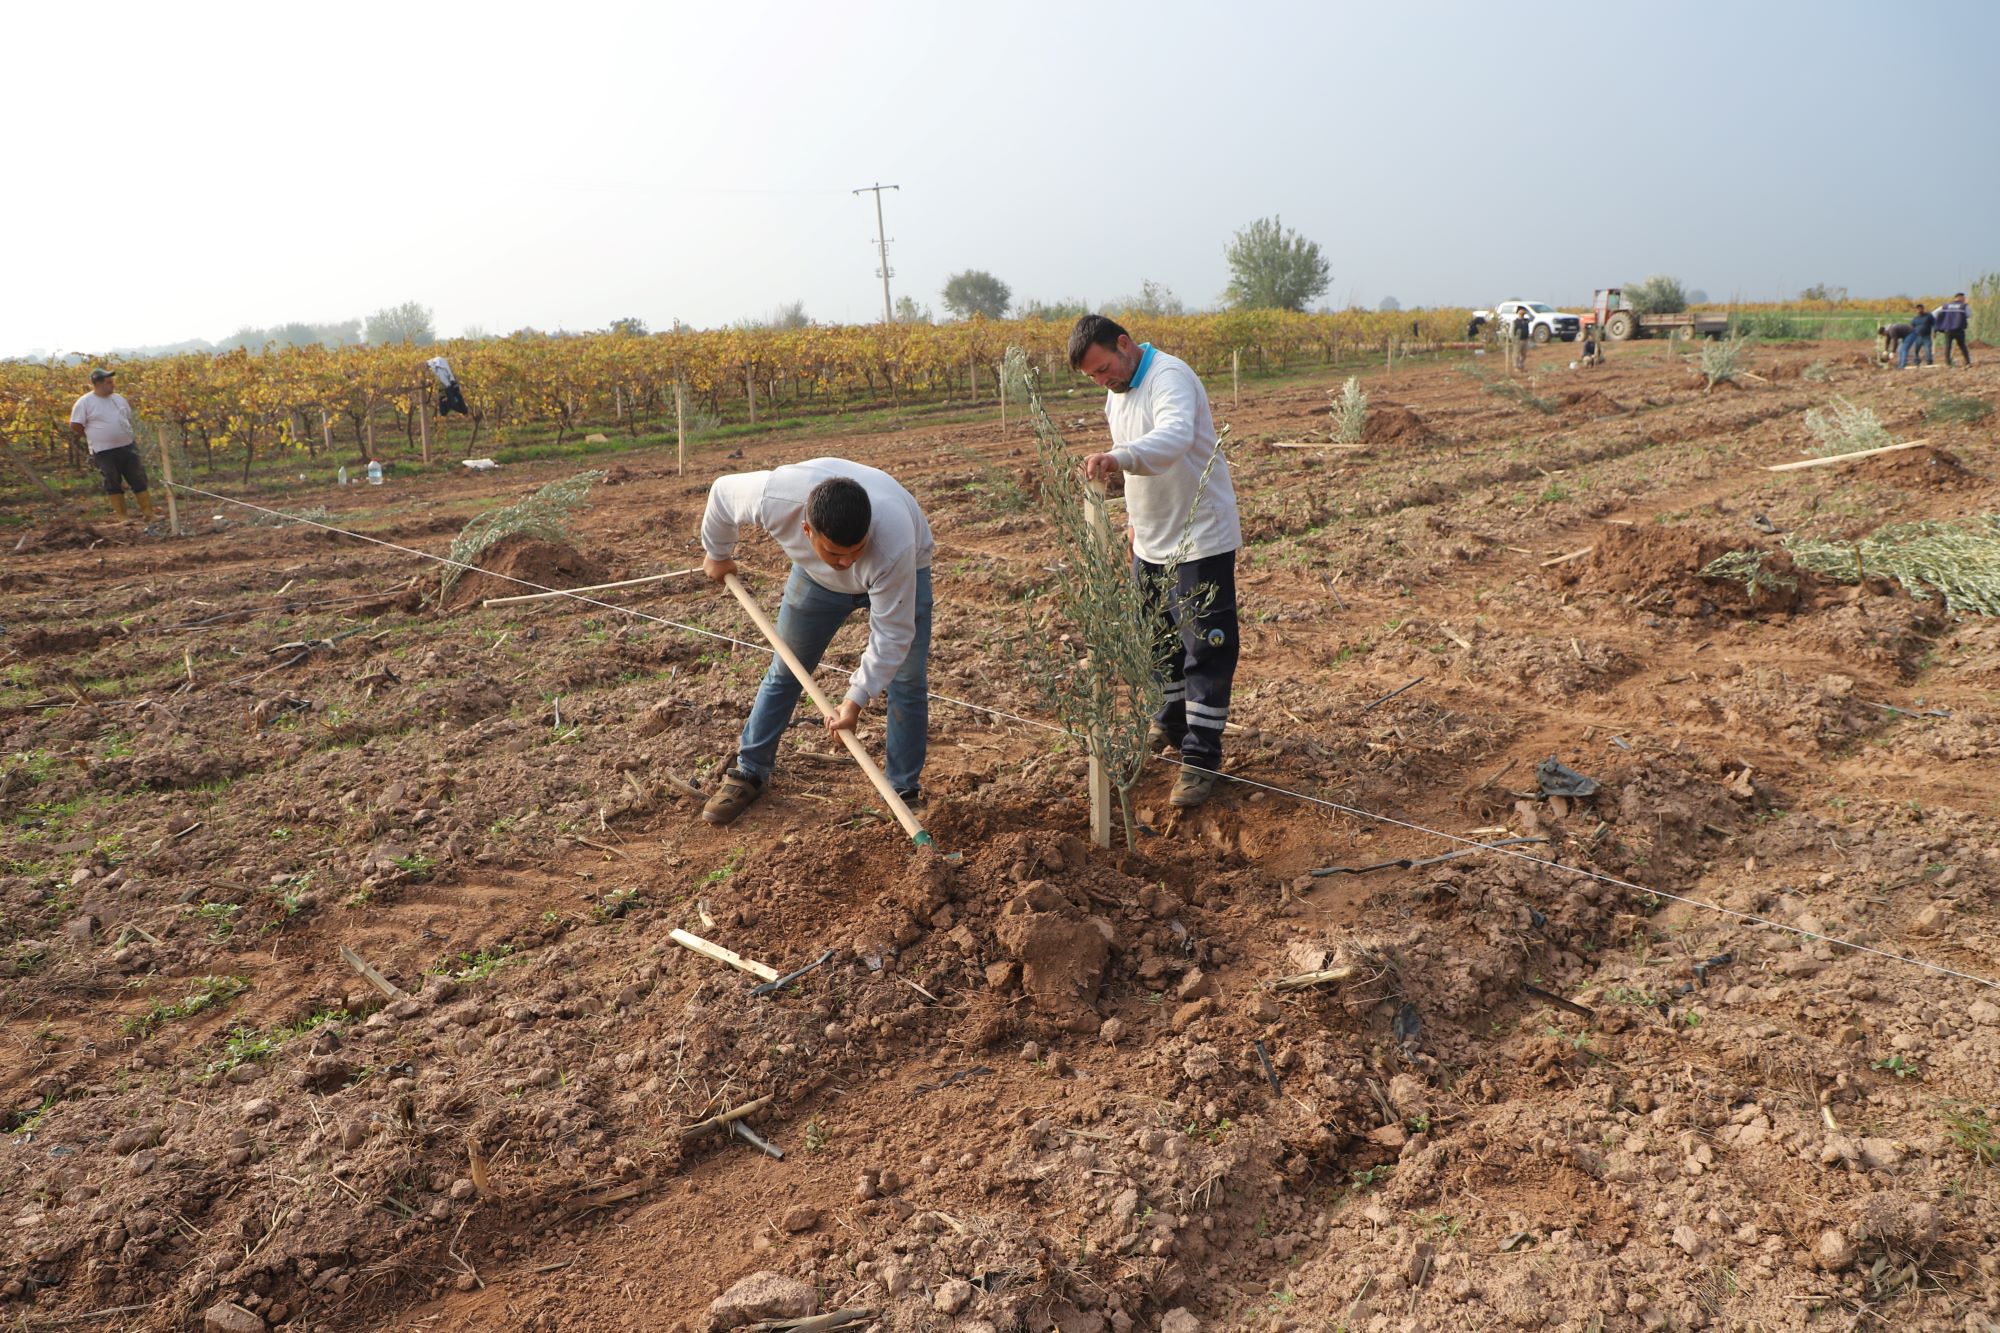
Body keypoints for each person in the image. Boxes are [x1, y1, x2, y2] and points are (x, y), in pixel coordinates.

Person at [697, 458, 934, 825]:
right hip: (815, 583)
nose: (848, 561)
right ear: (806, 529)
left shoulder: (893, 545)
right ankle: (748, 772)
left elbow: (893, 634)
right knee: (787, 667)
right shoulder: (775, 498)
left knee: (907, 680)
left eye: (857, 549)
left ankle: (903, 791)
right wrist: (718, 552)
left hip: (902, 572)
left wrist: (854, 700)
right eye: (836, 553)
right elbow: (722, 493)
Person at [1070, 314, 1241, 809]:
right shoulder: (1116, 393)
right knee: (1158, 641)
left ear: (1124, 345)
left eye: (1105, 368)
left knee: (1204, 651)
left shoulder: (1170, 377)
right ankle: (1170, 722)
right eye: (1094, 377)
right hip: (1150, 539)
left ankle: (1200, 758)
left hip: (1199, 538)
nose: (1103, 381)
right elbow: (1138, 465)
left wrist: (1117, 459)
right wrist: (1133, 526)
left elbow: (1172, 439)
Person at [68, 369, 155, 523]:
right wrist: (93, 435)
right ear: (98, 384)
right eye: (109, 382)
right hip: (103, 450)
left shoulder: (119, 399)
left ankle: (149, 514)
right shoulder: (85, 402)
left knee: (138, 478)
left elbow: (127, 417)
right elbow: (75, 424)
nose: (113, 385)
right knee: (113, 480)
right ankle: (123, 517)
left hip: (128, 446)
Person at [1935, 292, 1972, 367]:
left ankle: (1948, 363)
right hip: (1959, 329)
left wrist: (1940, 323)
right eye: (1963, 297)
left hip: (1948, 329)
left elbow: (1935, 313)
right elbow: (1969, 315)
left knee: (1948, 346)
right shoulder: (1964, 306)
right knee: (1962, 346)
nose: (1964, 299)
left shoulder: (1946, 306)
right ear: (1959, 297)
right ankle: (1967, 362)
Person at [1898, 302, 1935, 369]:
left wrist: (1935, 331)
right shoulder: (1915, 319)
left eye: (1920, 309)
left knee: (1928, 349)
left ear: (1923, 309)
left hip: (1926, 336)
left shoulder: (1929, 316)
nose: (1919, 310)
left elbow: (1934, 324)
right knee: (1916, 350)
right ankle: (1916, 362)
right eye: (1917, 309)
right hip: (1917, 336)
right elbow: (1911, 327)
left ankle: (1929, 361)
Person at [1509, 306, 1533, 371]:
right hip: (1518, 340)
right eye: (1521, 310)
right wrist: (1513, 340)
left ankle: (1521, 365)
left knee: (1524, 354)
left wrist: (1527, 312)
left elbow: (1532, 318)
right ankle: (1516, 367)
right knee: (1516, 354)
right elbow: (1511, 331)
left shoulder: (1526, 320)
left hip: (1525, 339)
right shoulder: (1515, 321)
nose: (1522, 312)